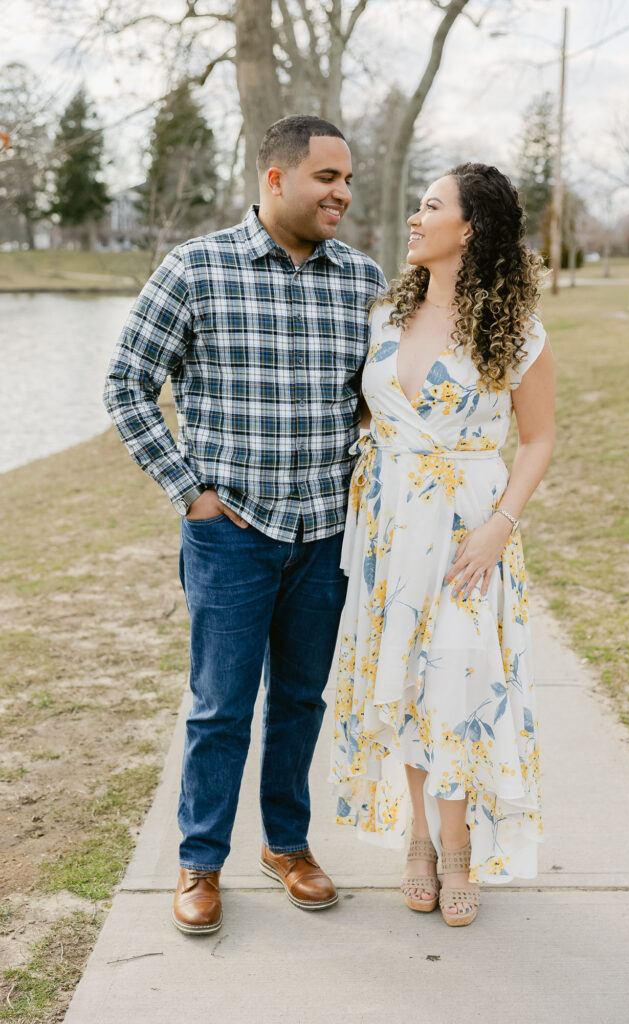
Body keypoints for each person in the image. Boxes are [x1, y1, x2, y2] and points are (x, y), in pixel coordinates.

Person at [104, 114, 386, 934]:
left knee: (300, 700)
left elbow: (377, 399)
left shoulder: (363, 280)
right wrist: (188, 490)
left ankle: (287, 845)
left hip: (325, 534)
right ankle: (200, 862)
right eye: (327, 177)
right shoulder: (196, 267)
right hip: (231, 533)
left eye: (347, 179)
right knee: (220, 706)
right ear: (275, 179)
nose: (342, 193)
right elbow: (126, 384)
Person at [330, 162, 555, 926]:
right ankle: (419, 840)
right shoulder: (384, 316)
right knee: (404, 680)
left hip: (468, 535)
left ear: (470, 228)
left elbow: (539, 439)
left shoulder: (517, 333)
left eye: (431, 206)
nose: (415, 218)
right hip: (390, 531)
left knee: (455, 682)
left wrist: (500, 526)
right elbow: (375, 412)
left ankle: (458, 846)